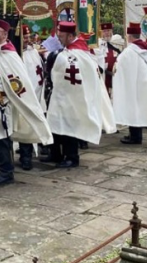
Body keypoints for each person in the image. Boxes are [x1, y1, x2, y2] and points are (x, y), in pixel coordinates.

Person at [0, 19, 52, 186]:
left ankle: (6, 172)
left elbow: (18, 83)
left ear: (5, 34)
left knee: (1, 139)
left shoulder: (10, 55)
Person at [44, 21, 114, 166]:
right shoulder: (70, 51)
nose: (59, 39)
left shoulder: (78, 53)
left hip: (73, 97)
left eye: (61, 36)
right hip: (61, 95)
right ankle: (55, 154)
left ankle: (71, 157)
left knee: (69, 125)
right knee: (55, 123)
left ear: (70, 36)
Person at [113, 27, 147, 144]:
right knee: (139, 109)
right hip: (143, 84)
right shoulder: (146, 50)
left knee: (133, 109)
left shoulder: (129, 52)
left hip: (133, 85)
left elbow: (118, 66)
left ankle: (134, 137)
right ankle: (135, 135)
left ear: (129, 36)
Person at [16, 27, 46, 170]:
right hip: (20, 95)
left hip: (35, 94)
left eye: (28, 36)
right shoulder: (15, 54)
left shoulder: (33, 52)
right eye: (24, 37)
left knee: (28, 125)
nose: (27, 39)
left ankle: (26, 157)